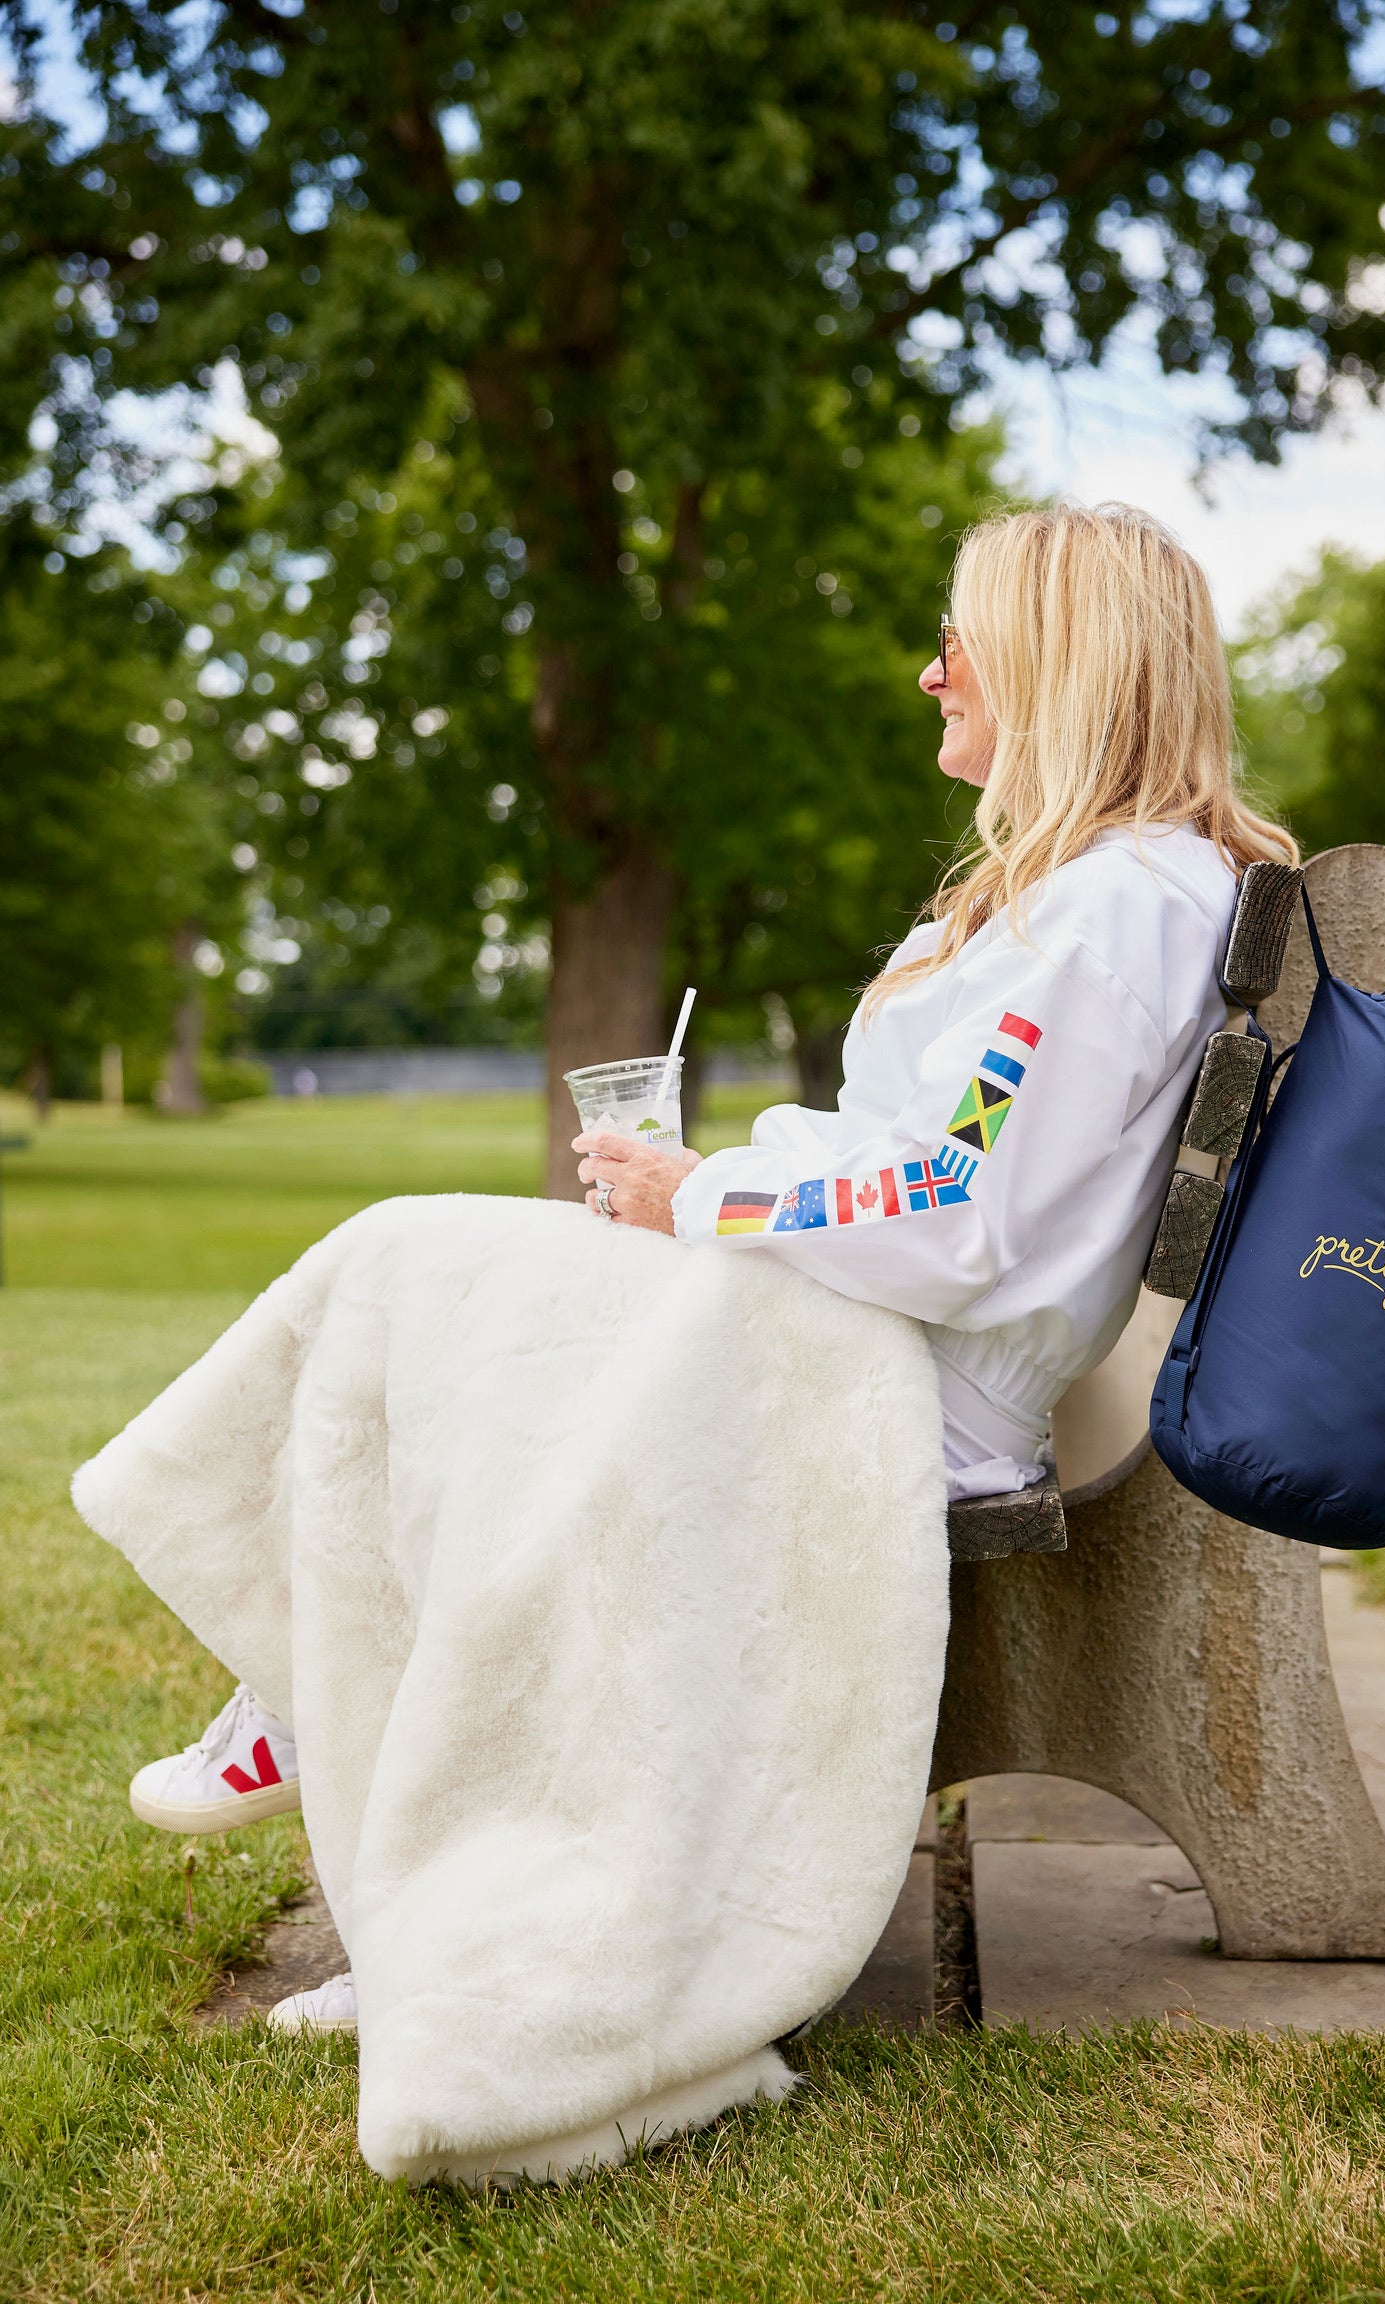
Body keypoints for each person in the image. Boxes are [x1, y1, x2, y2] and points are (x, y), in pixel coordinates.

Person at [124, 501, 1298, 2034]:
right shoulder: (1104, 897)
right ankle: (305, 1690)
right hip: (860, 1338)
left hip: (895, 1383)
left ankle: (345, 1745)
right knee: (426, 1271)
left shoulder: (1108, 912)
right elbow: (949, 1162)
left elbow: (951, 1209)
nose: (928, 674)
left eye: (957, 641)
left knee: (415, 1256)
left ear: (1052, 662)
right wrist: (732, 1181)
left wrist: (701, 1195)